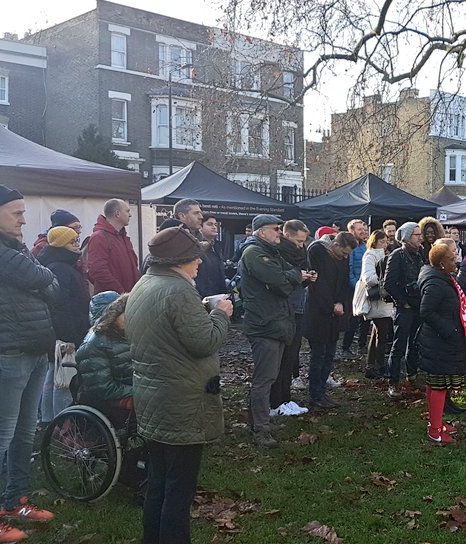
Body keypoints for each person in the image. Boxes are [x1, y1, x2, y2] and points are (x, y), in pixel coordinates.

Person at [0, 185, 58, 542]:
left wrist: (40, 280)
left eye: (23, 211)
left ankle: (17, 499)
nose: (23, 219)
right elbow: (39, 277)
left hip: (33, 348)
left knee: (25, 431)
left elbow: (52, 285)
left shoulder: (13, 246)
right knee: (0, 434)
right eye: (16, 212)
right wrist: (39, 280)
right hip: (6, 351)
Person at [124, 225, 231, 544]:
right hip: (181, 402)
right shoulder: (179, 290)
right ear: (180, 260)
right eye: (195, 256)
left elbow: (167, 332)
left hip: (154, 397)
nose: (200, 261)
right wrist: (221, 314)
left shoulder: (146, 282)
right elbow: (205, 341)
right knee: (179, 490)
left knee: (158, 483)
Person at [242, 214, 314, 447]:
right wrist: (296, 277)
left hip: (275, 323)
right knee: (264, 380)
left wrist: (302, 278)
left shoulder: (270, 252)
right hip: (265, 325)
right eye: (275, 229)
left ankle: (256, 420)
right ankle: (261, 430)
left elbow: (289, 275)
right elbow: (280, 283)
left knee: (268, 376)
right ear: (262, 231)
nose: (280, 233)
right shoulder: (254, 253)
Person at [419, 243, 466, 444]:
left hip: (442, 341)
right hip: (439, 342)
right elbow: (426, 311)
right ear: (441, 264)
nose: (456, 262)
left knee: (436, 384)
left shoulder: (443, 278)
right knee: (439, 386)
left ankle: (437, 421)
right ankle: (435, 430)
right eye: (452, 259)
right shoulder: (435, 283)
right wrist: (448, 330)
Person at [37, 226, 90, 424]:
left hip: (61, 331)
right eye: (72, 242)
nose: (77, 245)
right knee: (65, 379)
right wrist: (69, 337)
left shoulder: (59, 265)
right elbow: (61, 307)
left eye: (77, 241)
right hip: (65, 333)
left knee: (53, 375)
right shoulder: (59, 268)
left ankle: (49, 419)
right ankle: (63, 423)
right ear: (61, 244)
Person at [305, 231, 357, 410]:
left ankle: (322, 392)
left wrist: (341, 302)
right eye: (343, 253)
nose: (345, 257)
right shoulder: (317, 251)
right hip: (319, 312)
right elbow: (318, 284)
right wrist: (331, 305)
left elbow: (343, 282)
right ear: (336, 245)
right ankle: (315, 395)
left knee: (329, 356)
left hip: (336, 313)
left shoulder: (342, 258)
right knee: (318, 356)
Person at [273, 220, 313, 416]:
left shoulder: (301, 253)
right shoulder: (278, 253)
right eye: (298, 241)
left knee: (291, 357)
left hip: (298, 307)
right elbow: (281, 282)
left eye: (303, 242)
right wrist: (299, 275)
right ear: (287, 236)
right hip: (285, 309)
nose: (301, 245)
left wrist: (306, 278)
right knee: (281, 359)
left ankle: (285, 399)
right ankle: (276, 402)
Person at [384, 222, 426, 399]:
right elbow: (388, 283)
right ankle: (393, 381)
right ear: (407, 237)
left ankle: (412, 375)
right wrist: (402, 302)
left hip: (419, 305)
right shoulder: (397, 255)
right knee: (399, 345)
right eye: (416, 235)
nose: (420, 237)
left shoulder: (419, 254)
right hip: (405, 307)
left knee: (415, 343)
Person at [76, 292, 132, 414]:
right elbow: (102, 388)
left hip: (130, 388)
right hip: (111, 399)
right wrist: (138, 391)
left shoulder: (125, 334)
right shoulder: (95, 344)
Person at [355, 230, 395, 379]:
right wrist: (385, 280)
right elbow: (368, 277)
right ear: (375, 241)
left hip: (383, 300)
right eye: (381, 241)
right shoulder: (371, 255)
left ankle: (371, 365)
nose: (384, 244)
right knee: (381, 334)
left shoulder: (383, 255)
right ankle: (379, 366)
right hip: (378, 299)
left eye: (386, 241)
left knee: (377, 333)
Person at [87, 198, 141, 294]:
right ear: (117, 214)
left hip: (128, 297)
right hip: (112, 300)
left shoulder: (123, 237)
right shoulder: (99, 237)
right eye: (127, 211)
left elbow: (133, 267)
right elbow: (98, 271)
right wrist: (120, 293)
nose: (130, 215)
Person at [341, 219, 371, 357]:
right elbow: (349, 269)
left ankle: (362, 344)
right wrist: (357, 287)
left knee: (365, 318)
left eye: (364, 229)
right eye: (360, 229)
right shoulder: (350, 248)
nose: (363, 232)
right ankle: (345, 347)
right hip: (353, 289)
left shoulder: (365, 247)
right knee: (352, 320)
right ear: (351, 231)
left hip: (364, 287)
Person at [195, 215, 227, 298]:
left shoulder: (217, 246)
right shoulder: (195, 246)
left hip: (218, 295)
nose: (214, 227)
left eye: (215, 225)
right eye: (209, 224)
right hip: (203, 296)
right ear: (200, 227)